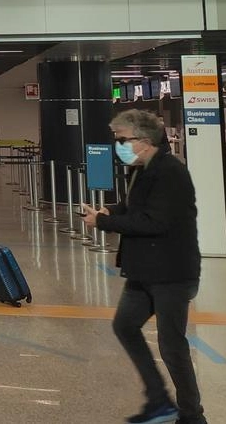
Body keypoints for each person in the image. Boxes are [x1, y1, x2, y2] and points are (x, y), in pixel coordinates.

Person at [82, 109, 204, 424]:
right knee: (124, 325)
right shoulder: (141, 168)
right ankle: (159, 400)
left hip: (171, 272)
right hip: (145, 271)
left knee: (171, 344)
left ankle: (192, 415)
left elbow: (155, 221)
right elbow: (136, 207)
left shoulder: (170, 172)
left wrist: (105, 222)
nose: (118, 145)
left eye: (123, 140)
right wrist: (109, 210)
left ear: (144, 141)